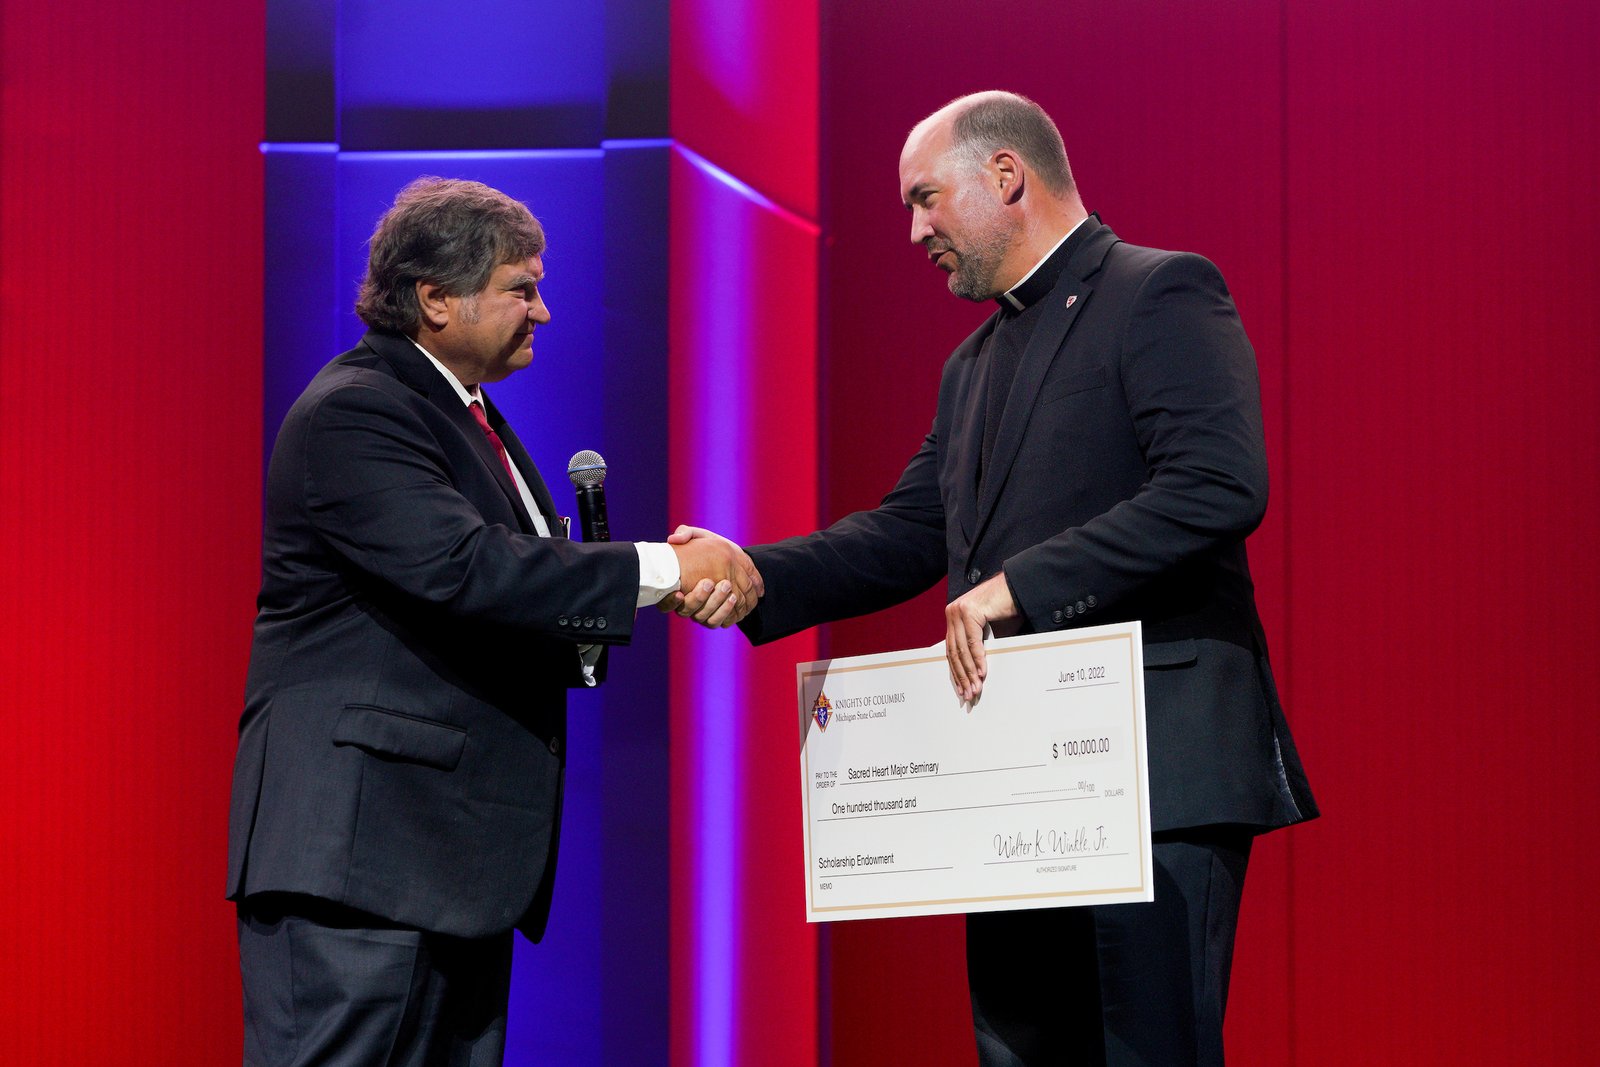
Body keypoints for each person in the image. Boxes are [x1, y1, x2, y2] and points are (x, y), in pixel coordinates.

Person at [669, 91, 1318, 1065]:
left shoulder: (1160, 290)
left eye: (925, 198)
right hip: (1016, 779)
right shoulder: (969, 364)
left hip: (1149, 766)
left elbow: (1217, 484)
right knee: (1021, 1045)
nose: (914, 229)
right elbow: (906, 532)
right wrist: (754, 573)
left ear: (1005, 175)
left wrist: (1019, 584)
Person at [227, 177, 757, 1067]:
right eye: (523, 287)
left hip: (449, 867)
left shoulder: (472, 418)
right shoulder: (358, 409)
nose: (543, 311)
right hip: (365, 868)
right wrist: (663, 570)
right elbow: (463, 566)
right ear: (435, 298)